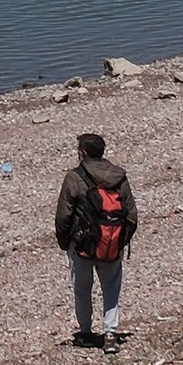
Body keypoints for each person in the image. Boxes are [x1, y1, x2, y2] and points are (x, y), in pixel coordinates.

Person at [53, 131, 137, 347]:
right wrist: (120, 239)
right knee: (111, 287)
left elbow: (64, 215)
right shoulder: (119, 176)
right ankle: (110, 333)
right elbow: (131, 214)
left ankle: (86, 333)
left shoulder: (74, 177)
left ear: (83, 153)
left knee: (82, 288)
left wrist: (65, 243)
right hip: (112, 242)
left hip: (82, 244)